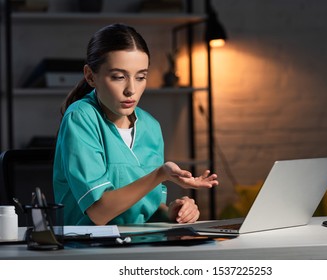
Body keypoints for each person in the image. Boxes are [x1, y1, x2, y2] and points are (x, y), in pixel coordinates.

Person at [53, 23, 218, 226]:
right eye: (119, 77)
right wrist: (160, 174)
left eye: (141, 77)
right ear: (90, 76)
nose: (131, 89)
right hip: (88, 249)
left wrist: (172, 213)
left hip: (140, 245)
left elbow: (147, 208)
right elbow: (98, 212)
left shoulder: (150, 126)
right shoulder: (80, 117)